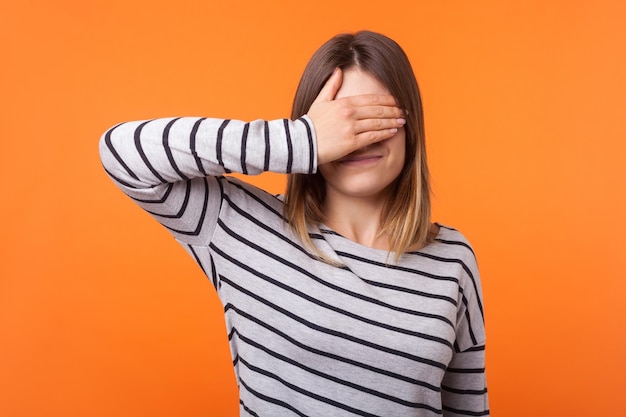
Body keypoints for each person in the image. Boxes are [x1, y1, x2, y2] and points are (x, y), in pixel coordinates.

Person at [100, 30, 488, 417]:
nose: (358, 139)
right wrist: (299, 140)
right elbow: (121, 152)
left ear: (410, 125)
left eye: (374, 118)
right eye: (343, 121)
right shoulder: (239, 225)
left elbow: (467, 409)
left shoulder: (452, 258)